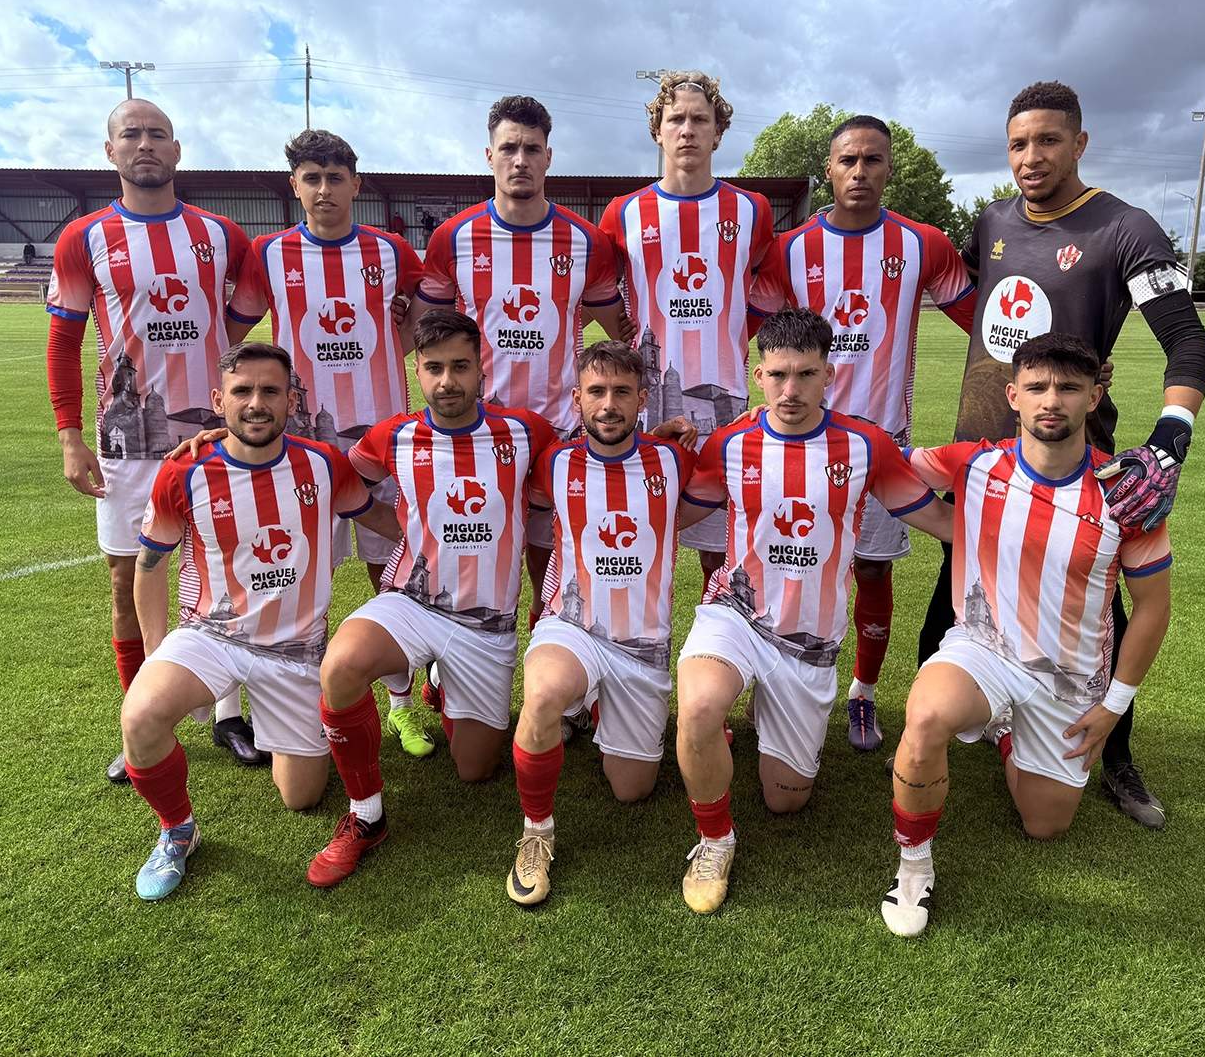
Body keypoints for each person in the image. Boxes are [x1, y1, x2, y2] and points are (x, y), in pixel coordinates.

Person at [917, 81, 1205, 829]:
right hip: (986, 466)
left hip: (1073, 465)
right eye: (1018, 143)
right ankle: (942, 744)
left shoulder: (1124, 227)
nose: (1031, 157)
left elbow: (1190, 340)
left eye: (1048, 141)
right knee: (952, 613)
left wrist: (1170, 440)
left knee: (1095, 623)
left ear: (1080, 144)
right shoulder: (990, 220)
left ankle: (1111, 754)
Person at [882, 333, 1173, 936]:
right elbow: (877, 465)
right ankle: (913, 871)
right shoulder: (972, 463)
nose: (1052, 401)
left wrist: (1115, 706)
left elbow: (1151, 609)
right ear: (1012, 396)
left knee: (1046, 825)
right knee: (926, 720)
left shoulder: (1126, 494)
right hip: (981, 650)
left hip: (1068, 680)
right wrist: (771, 414)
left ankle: (1008, 734)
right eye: (1037, 387)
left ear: (1095, 396)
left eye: (1069, 388)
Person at [672, 309, 953, 914]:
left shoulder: (864, 444)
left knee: (786, 801)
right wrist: (652, 458)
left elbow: (936, 518)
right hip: (737, 614)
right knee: (696, 704)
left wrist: (1028, 512)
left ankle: (765, 727)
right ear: (757, 376)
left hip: (810, 641)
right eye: (777, 375)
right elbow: (672, 517)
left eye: (805, 374)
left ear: (829, 373)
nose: (790, 390)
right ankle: (714, 838)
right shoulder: (729, 443)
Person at [120, 342, 397, 900]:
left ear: (292, 399)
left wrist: (445, 536)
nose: (256, 403)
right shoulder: (185, 470)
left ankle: (277, 731)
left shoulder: (322, 463)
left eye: (270, 391)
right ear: (219, 400)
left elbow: (378, 518)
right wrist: (154, 656)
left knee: (301, 797)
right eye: (242, 391)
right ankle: (177, 831)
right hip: (211, 636)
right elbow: (149, 566)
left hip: (295, 652)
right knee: (142, 716)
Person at [45, 98, 262, 783]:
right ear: (109, 150)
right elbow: (63, 339)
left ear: (177, 149)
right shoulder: (83, 237)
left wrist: (218, 356)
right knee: (124, 579)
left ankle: (229, 712)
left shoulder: (221, 233)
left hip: (212, 434)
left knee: (229, 568)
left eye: (157, 134)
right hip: (125, 440)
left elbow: (249, 303)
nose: (145, 144)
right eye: (131, 134)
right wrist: (69, 437)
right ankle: (142, 716)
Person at [306, 309, 556, 889]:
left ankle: (441, 685)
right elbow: (337, 478)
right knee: (341, 666)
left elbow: (590, 461)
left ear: (481, 369)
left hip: (485, 626)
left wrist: (661, 437)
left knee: (474, 769)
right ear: (417, 370)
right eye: (435, 368)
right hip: (412, 601)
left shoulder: (526, 432)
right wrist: (224, 437)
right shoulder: (392, 436)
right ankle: (366, 817)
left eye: (461, 367)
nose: (448, 381)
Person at [752, 114, 975, 752]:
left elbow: (982, 322)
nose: (860, 172)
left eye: (872, 160)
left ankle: (863, 695)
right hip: (798, 446)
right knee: (787, 564)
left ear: (888, 167)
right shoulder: (790, 249)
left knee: (873, 572)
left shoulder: (924, 243)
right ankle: (781, 679)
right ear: (829, 167)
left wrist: (1052, 363)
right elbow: (752, 329)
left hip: (883, 445)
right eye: (848, 160)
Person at [230, 129, 435, 758]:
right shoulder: (267, 253)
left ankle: (402, 709)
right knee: (295, 576)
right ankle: (295, 702)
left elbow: (425, 329)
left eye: (335, 177)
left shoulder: (393, 252)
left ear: (356, 183)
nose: (324, 189)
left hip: (378, 448)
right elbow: (234, 339)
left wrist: (388, 355)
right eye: (311, 178)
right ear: (294, 184)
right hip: (299, 452)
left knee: (392, 575)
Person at [414, 96, 629, 631]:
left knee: (553, 558)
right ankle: (446, 672)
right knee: (470, 557)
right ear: (489, 155)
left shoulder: (587, 242)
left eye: (532, 148)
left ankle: (556, 661)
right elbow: (424, 330)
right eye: (509, 147)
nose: (520, 159)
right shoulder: (453, 238)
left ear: (549, 157)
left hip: (558, 428)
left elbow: (624, 327)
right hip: (476, 431)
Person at [506, 341, 698, 905]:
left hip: (642, 645)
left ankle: (595, 705)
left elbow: (749, 454)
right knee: (540, 697)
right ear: (577, 399)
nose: (608, 404)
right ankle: (536, 833)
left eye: (621, 392)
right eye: (596, 392)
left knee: (631, 791)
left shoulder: (676, 460)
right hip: (573, 626)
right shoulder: (553, 461)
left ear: (643, 399)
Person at [601, 71, 775, 584]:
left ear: (718, 132)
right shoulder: (623, 213)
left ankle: (711, 652)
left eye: (700, 119)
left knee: (717, 552)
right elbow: (602, 295)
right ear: (657, 130)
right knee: (632, 537)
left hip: (726, 402)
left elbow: (762, 291)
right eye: (676, 118)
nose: (687, 130)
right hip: (643, 404)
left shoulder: (752, 210)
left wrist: (737, 333)